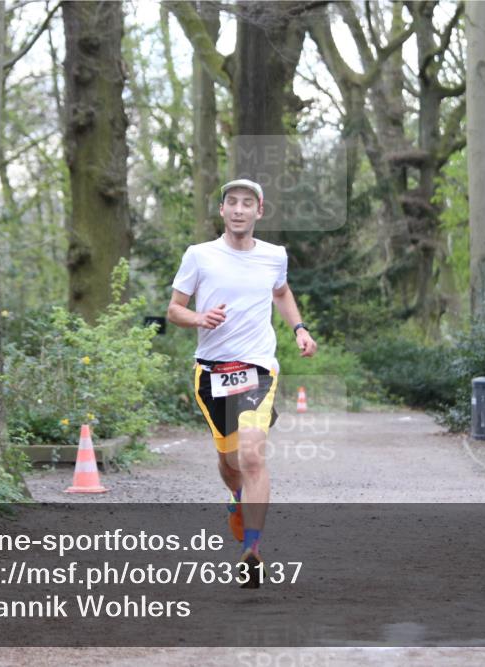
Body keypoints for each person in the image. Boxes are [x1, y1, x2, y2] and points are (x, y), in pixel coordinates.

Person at [166, 178, 317, 588]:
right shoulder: (199, 256)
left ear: (258, 212)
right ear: (222, 211)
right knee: (229, 463)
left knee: (252, 457)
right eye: (231, 202)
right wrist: (199, 318)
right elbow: (174, 310)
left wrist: (299, 329)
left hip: (257, 370)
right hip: (211, 373)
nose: (238, 209)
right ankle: (236, 497)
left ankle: (252, 549)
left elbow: (282, 293)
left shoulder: (274, 256)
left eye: (247, 203)